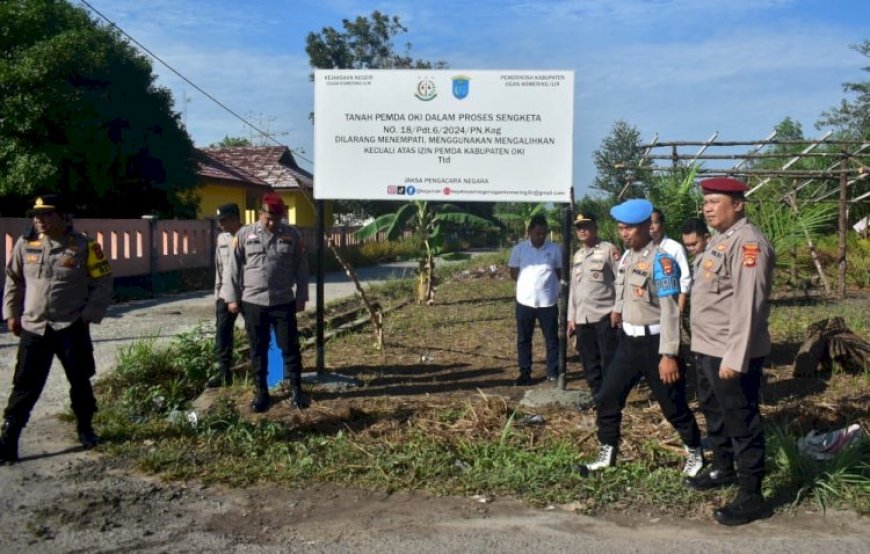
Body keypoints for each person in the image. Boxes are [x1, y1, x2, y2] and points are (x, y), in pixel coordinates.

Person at [575, 199, 703, 478]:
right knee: (608, 397)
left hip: (656, 345)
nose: (624, 233)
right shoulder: (627, 258)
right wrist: (617, 312)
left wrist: (669, 354)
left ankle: (695, 451)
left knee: (673, 406)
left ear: (647, 227)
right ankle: (606, 453)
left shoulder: (662, 262)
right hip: (628, 343)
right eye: (621, 228)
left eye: (629, 228)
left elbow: (670, 311)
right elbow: (622, 291)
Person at [684, 177, 775, 526]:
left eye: (715, 201)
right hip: (707, 348)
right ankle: (724, 468)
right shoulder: (720, 240)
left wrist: (734, 358)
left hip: (730, 353)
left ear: (738, 204)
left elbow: (747, 305)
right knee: (716, 412)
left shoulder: (749, 243)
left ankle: (752, 495)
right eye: (705, 201)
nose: (707, 207)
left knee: (742, 420)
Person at [1, 194, 113, 463]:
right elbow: (13, 279)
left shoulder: (85, 246)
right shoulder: (26, 244)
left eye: (47, 214)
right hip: (34, 326)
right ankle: (9, 440)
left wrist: (89, 315)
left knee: (79, 381)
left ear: (64, 217)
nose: (40, 220)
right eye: (37, 215)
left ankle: (85, 429)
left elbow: (103, 282)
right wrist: (10, 313)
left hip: (70, 326)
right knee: (25, 384)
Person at [223, 192, 310, 412]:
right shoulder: (244, 234)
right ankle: (262, 393)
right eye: (268, 218)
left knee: (290, 346)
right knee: (257, 349)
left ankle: (296, 390)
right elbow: (232, 269)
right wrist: (231, 298)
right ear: (260, 213)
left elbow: (301, 268)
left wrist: (302, 296)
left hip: (283, 300)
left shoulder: (292, 235)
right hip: (253, 302)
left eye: (276, 218)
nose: (271, 223)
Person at [567, 213, 621, 396]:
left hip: (605, 316)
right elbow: (574, 289)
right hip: (583, 318)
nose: (582, 230)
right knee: (589, 361)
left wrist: (618, 309)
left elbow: (620, 281)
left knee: (609, 359)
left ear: (595, 227)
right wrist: (571, 317)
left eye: (586, 226)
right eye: (579, 227)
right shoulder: (578, 255)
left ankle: (610, 396)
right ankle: (596, 395)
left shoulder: (608, 250)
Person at [508, 215, 562, 385]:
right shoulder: (519, 249)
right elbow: (513, 272)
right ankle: (525, 373)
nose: (540, 237)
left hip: (548, 303)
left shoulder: (554, 249)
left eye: (543, 234)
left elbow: (559, 272)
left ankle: (552, 371)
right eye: (537, 233)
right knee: (524, 339)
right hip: (525, 302)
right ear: (530, 232)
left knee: (552, 339)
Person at [206, 203, 243, 388]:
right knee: (222, 334)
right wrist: (218, 294)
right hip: (225, 293)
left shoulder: (249, 236)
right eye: (219, 220)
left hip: (247, 293)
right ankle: (224, 373)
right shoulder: (221, 238)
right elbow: (219, 268)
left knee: (257, 332)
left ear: (235, 218)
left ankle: (268, 372)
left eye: (224, 220)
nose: (220, 223)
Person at [650, 209, 691, 313]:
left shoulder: (675, 248)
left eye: (655, 222)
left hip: (671, 307)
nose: (651, 227)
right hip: (650, 309)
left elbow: (685, 280)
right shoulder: (642, 250)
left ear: (663, 225)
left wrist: (679, 311)